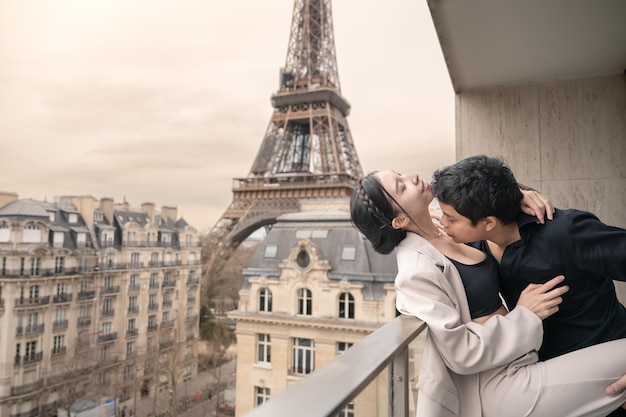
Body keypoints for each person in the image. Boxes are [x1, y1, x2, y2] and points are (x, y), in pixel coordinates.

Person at [350, 170, 626, 417]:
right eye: (400, 187)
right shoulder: (415, 271)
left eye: (400, 174)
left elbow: (481, 205)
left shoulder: (443, 226)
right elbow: (460, 353)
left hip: (530, 358)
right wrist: (525, 314)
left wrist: (516, 196)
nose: (411, 177)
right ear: (398, 220)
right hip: (502, 385)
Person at [431, 155, 626, 416]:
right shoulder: (473, 244)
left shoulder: (566, 231)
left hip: (610, 370)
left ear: (489, 222)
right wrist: (519, 192)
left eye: (450, 218)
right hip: (545, 383)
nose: (443, 223)